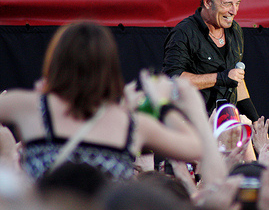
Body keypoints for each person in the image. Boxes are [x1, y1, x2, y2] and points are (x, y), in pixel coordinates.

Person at [0, 21, 207, 182]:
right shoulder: (132, 125)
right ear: (110, 69)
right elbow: (197, 148)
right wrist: (162, 105)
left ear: (55, 62)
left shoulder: (28, 107)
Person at [162, 0, 259, 121]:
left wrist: (255, 120)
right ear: (207, 2)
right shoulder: (184, 33)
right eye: (227, 4)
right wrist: (220, 78)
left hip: (227, 126)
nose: (234, 11)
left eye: (237, 3)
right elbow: (173, 80)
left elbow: (236, 80)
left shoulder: (235, 31)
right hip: (192, 126)